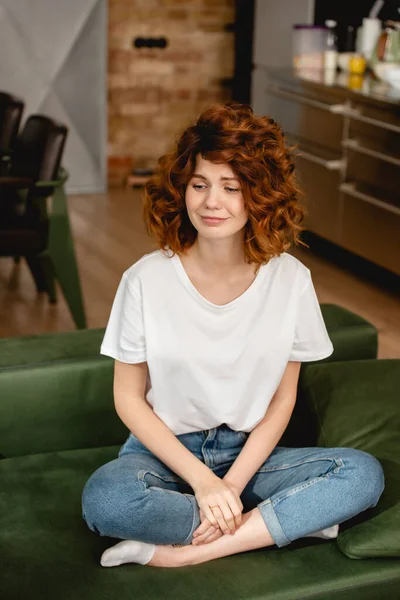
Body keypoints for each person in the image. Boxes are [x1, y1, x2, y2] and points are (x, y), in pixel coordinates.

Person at [81, 102, 385, 569]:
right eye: (199, 185)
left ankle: (179, 555)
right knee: (108, 501)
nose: (211, 202)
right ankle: (281, 522)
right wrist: (204, 484)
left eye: (231, 187)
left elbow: (282, 402)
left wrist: (231, 485)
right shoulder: (145, 279)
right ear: (183, 189)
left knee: (362, 475)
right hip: (164, 454)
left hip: (250, 456)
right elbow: (128, 399)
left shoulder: (292, 281)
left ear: (260, 196)